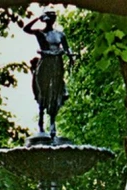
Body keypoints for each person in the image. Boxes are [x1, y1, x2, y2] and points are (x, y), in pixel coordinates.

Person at [24, 10, 74, 138]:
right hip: (45, 63)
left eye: (52, 18)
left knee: (55, 93)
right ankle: (40, 121)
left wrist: (70, 56)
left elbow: (67, 48)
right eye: (48, 18)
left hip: (56, 64)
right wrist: (36, 18)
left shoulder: (60, 34)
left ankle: (52, 123)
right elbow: (26, 29)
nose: (50, 20)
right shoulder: (40, 33)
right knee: (43, 92)